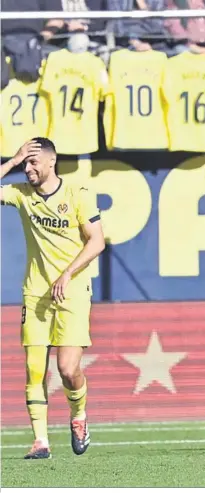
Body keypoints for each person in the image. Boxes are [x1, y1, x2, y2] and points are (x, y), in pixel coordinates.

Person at [0, 138, 106, 459]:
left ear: (51, 162)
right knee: (35, 368)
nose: (28, 169)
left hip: (72, 291)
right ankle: (41, 441)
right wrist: (12, 159)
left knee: (67, 369)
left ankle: (78, 416)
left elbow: (97, 241)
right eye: (24, 165)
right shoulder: (21, 194)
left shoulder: (78, 195)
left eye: (33, 163)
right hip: (35, 293)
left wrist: (67, 273)